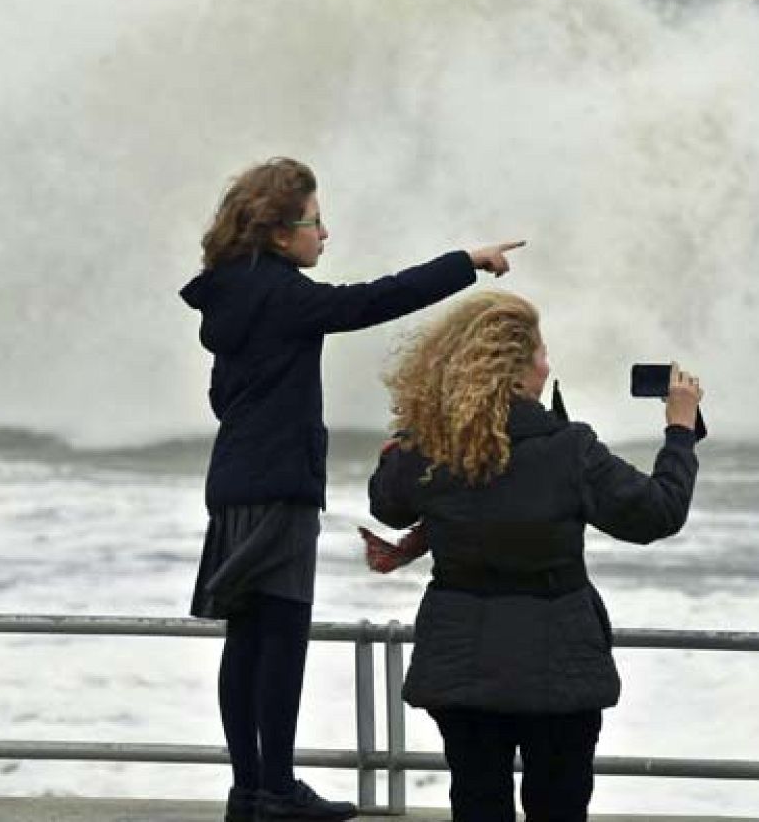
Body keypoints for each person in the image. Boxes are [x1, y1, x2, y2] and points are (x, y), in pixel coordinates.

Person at [180, 156, 523, 822]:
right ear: (281, 233)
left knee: (246, 637)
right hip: (279, 485)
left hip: (234, 482)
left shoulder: (232, 293)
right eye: (315, 221)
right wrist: (467, 261)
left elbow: (224, 396)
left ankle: (249, 788)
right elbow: (371, 299)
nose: (325, 233)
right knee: (279, 636)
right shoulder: (282, 293)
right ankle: (276, 788)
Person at [365, 291, 703, 822]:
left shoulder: (432, 444)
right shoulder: (569, 449)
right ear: (517, 373)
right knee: (559, 805)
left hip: (459, 661)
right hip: (559, 664)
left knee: (477, 803)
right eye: (541, 353)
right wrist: (680, 433)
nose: (548, 364)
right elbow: (657, 512)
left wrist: (415, 426)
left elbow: (387, 503)